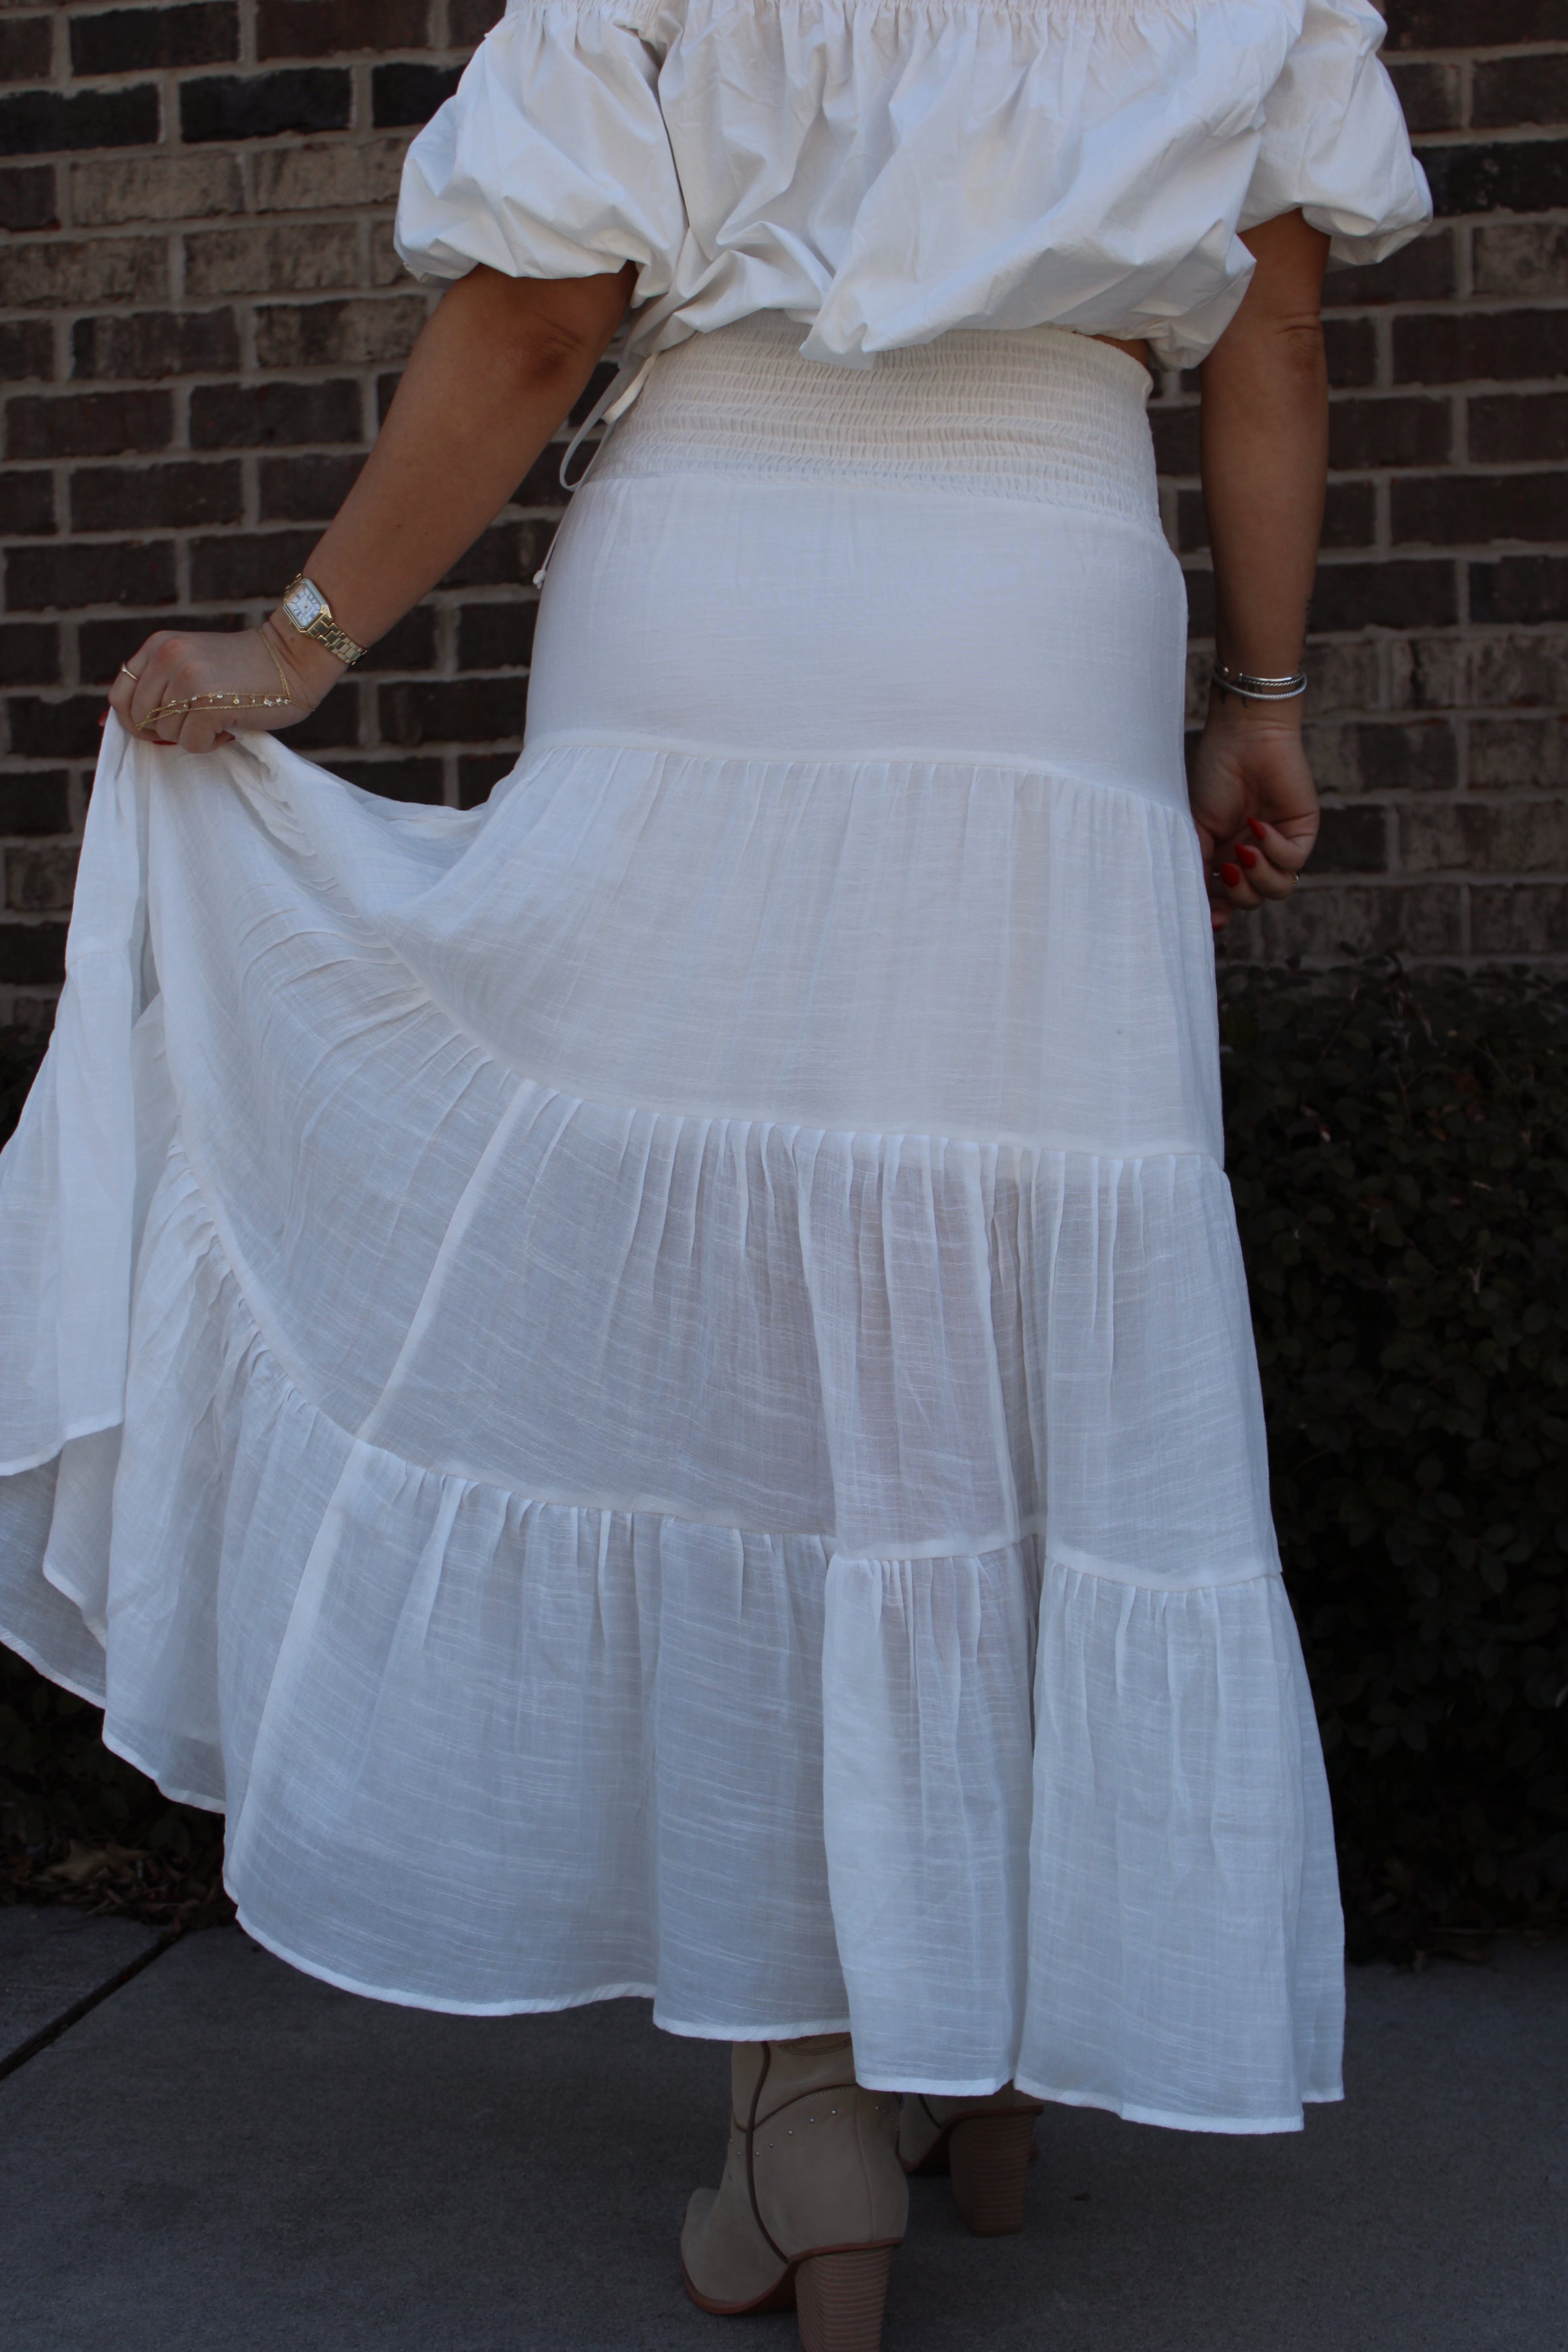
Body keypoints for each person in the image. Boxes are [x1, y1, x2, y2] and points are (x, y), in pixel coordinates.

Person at [0, 3, 1429, 2346]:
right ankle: (969, 2058)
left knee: (747, 1342)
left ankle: (806, 2108)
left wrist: (297, 645)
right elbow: (1273, 334)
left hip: (720, 586)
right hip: (1046, 611)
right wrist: (1263, 704)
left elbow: (541, 317)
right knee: (991, 1292)